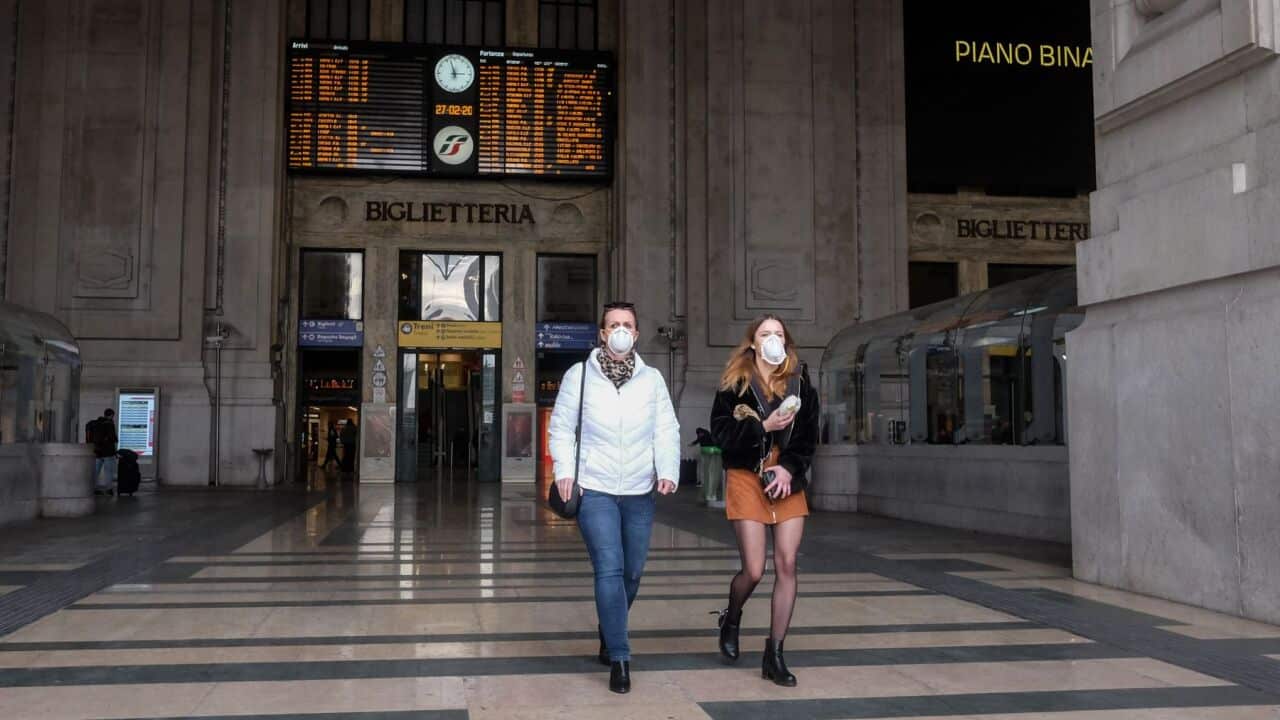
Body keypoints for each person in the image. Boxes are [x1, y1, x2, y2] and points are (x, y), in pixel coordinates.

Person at [548, 301, 680, 695]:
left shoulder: (652, 379)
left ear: (636, 334)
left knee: (632, 572)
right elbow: (561, 427)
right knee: (609, 567)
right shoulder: (579, 376)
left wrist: (669, 469)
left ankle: (610, 628)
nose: (621, 331)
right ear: (602, 334)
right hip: (596, 487)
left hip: (640, 490)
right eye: (613, 325)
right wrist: (566, 473)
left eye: (628, 325)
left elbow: (666, 428)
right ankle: (620, 657)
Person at [709, 314, 819, 687]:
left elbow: (808, 436)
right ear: (753, 343)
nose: (772, 339)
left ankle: (775, 653)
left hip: (786, 479)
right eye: (764, 334)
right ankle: (732, 616)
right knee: (754, 569)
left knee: (787, 563)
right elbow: (721, 433)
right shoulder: (733, 384)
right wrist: (762, 428)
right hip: (746, 476)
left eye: (778, 334)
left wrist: (789, 468)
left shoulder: (800, 383)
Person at [89, 408, 119, 494]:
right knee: (108, 471)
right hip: (108, 452)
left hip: (98, 452)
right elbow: (112, 437)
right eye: (113, 415)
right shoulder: (109, 423)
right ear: (111, 415)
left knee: (96, 471)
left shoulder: (96, 423)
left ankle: (93, 488)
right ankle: (109, 489)